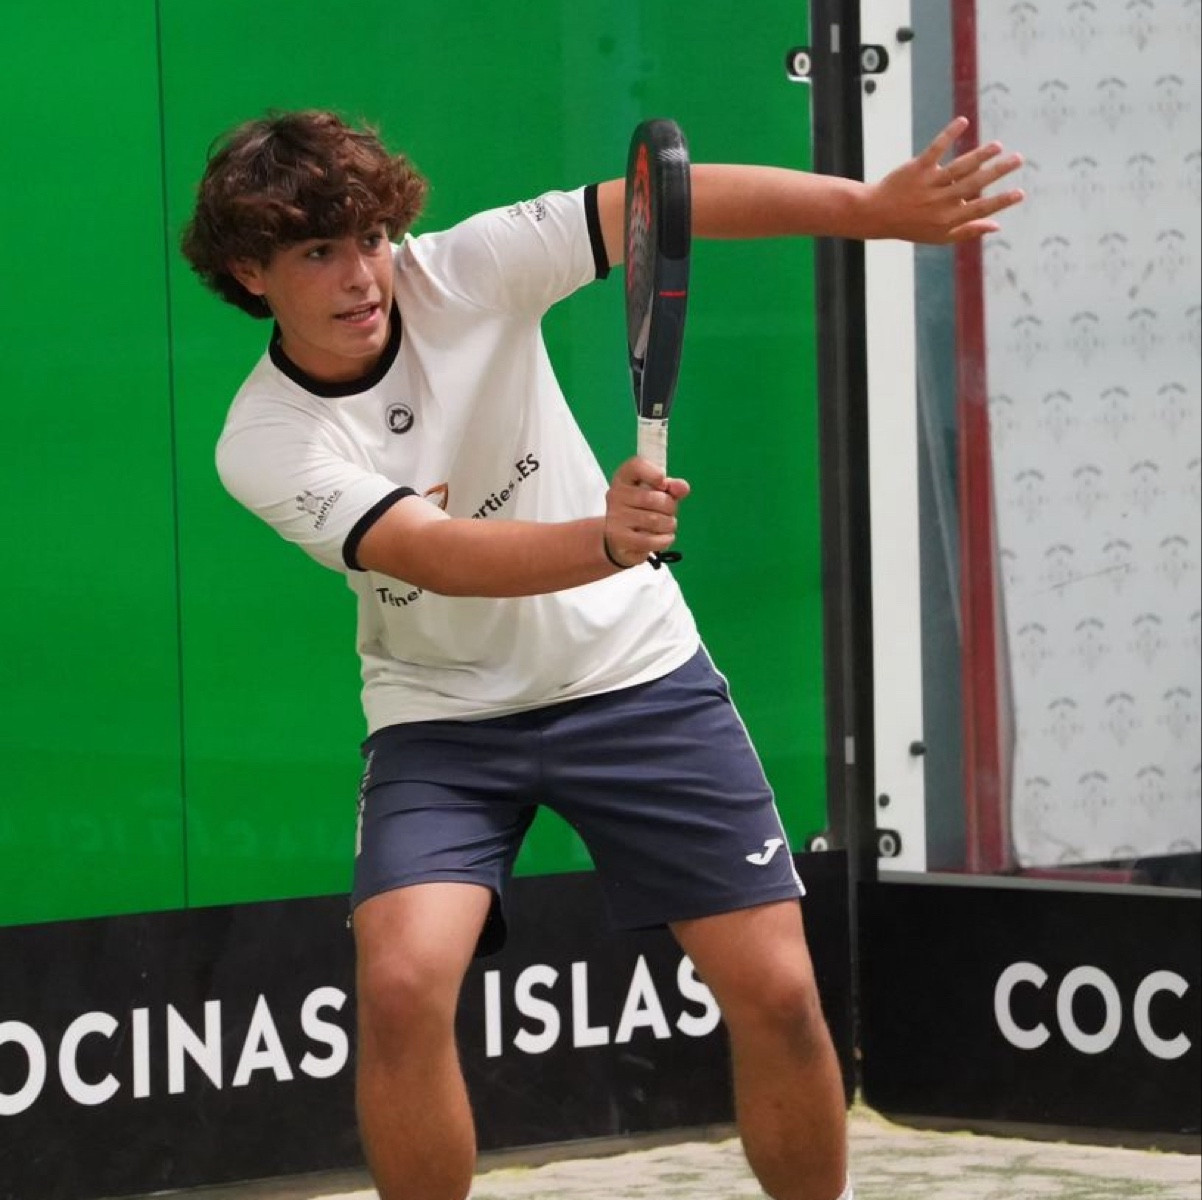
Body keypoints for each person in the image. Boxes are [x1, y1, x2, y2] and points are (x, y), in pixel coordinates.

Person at [182, 109, 1022, 1200]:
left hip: (634, 677)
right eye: (316, 253)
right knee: (399, 985)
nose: (361, 276)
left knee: (777, 992)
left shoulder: (468, 269)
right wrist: (605, 539)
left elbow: (659, 204)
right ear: (250, 273)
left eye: (372, 240)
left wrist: (868, 209)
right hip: (442, 714)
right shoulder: (264, 439)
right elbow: (430, 553)